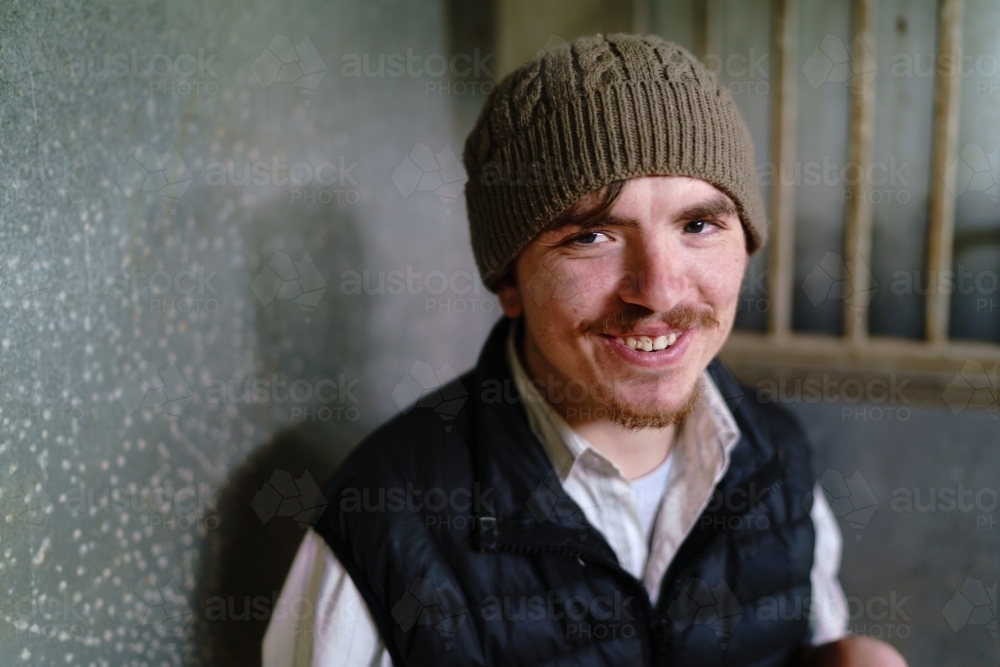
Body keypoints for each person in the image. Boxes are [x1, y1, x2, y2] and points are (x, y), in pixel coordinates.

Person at [263, 34, 907, 666]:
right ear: (510, 282)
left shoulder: (778, 460)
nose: (657, 290)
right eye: (593, 236)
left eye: (699, 225)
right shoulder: (385, 524)